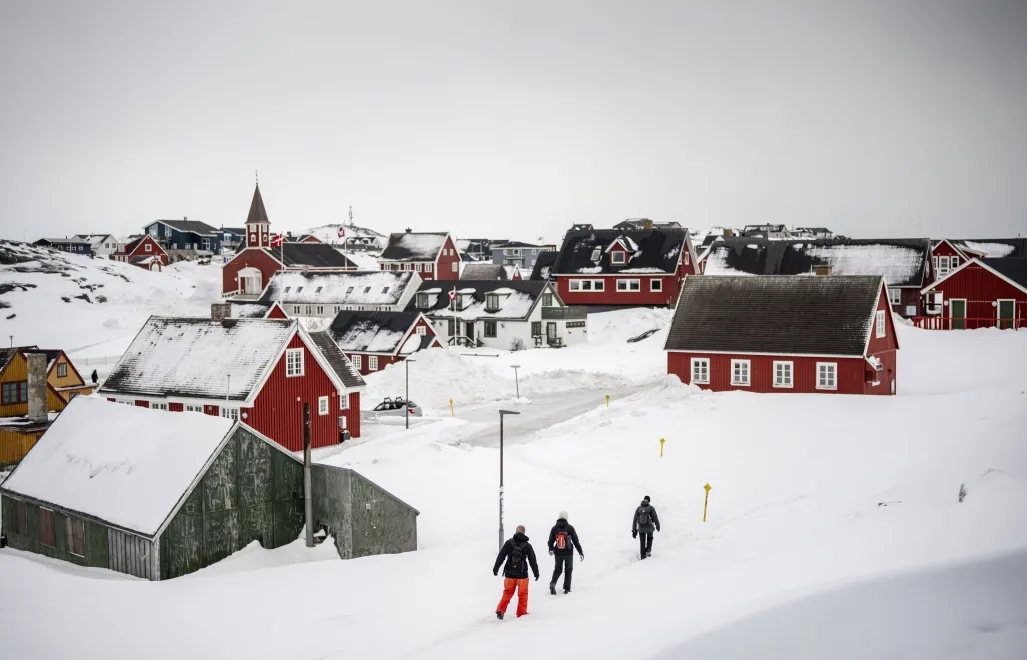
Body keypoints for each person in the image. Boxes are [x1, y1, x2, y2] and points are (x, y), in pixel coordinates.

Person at [493, 525, 540, 619]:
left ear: (516, 532)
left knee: (507, 593)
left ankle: (500, 610)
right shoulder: (527, 545)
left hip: (509, 574)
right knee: (522, 594)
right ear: (524, 533)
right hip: (522, 575)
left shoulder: (509, 543)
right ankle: (521, 614)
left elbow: (501, 556)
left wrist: (496, 568)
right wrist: (536, 573)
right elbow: (532, 560)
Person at [547, 511, 583, 595]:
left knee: (558, 569)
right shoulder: (570, 528)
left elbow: (550, 541)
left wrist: (551, 549)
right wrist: (580, 552)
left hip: (558, 553)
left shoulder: (554, 528)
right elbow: (576, 541)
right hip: (568, 553)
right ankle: (567, 588)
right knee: (568, 570)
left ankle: (553, 583)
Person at [631, 495, 660, 559]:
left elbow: (635, 520)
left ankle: (643, 556)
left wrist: (634, 529)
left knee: (642, 542)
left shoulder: (639, 508)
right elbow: (655, 517)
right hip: (649, 527)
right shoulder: (651, 508)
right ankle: (648, 550)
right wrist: (657, 525)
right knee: (650, 537)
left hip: (641, 528)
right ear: (649, 501)